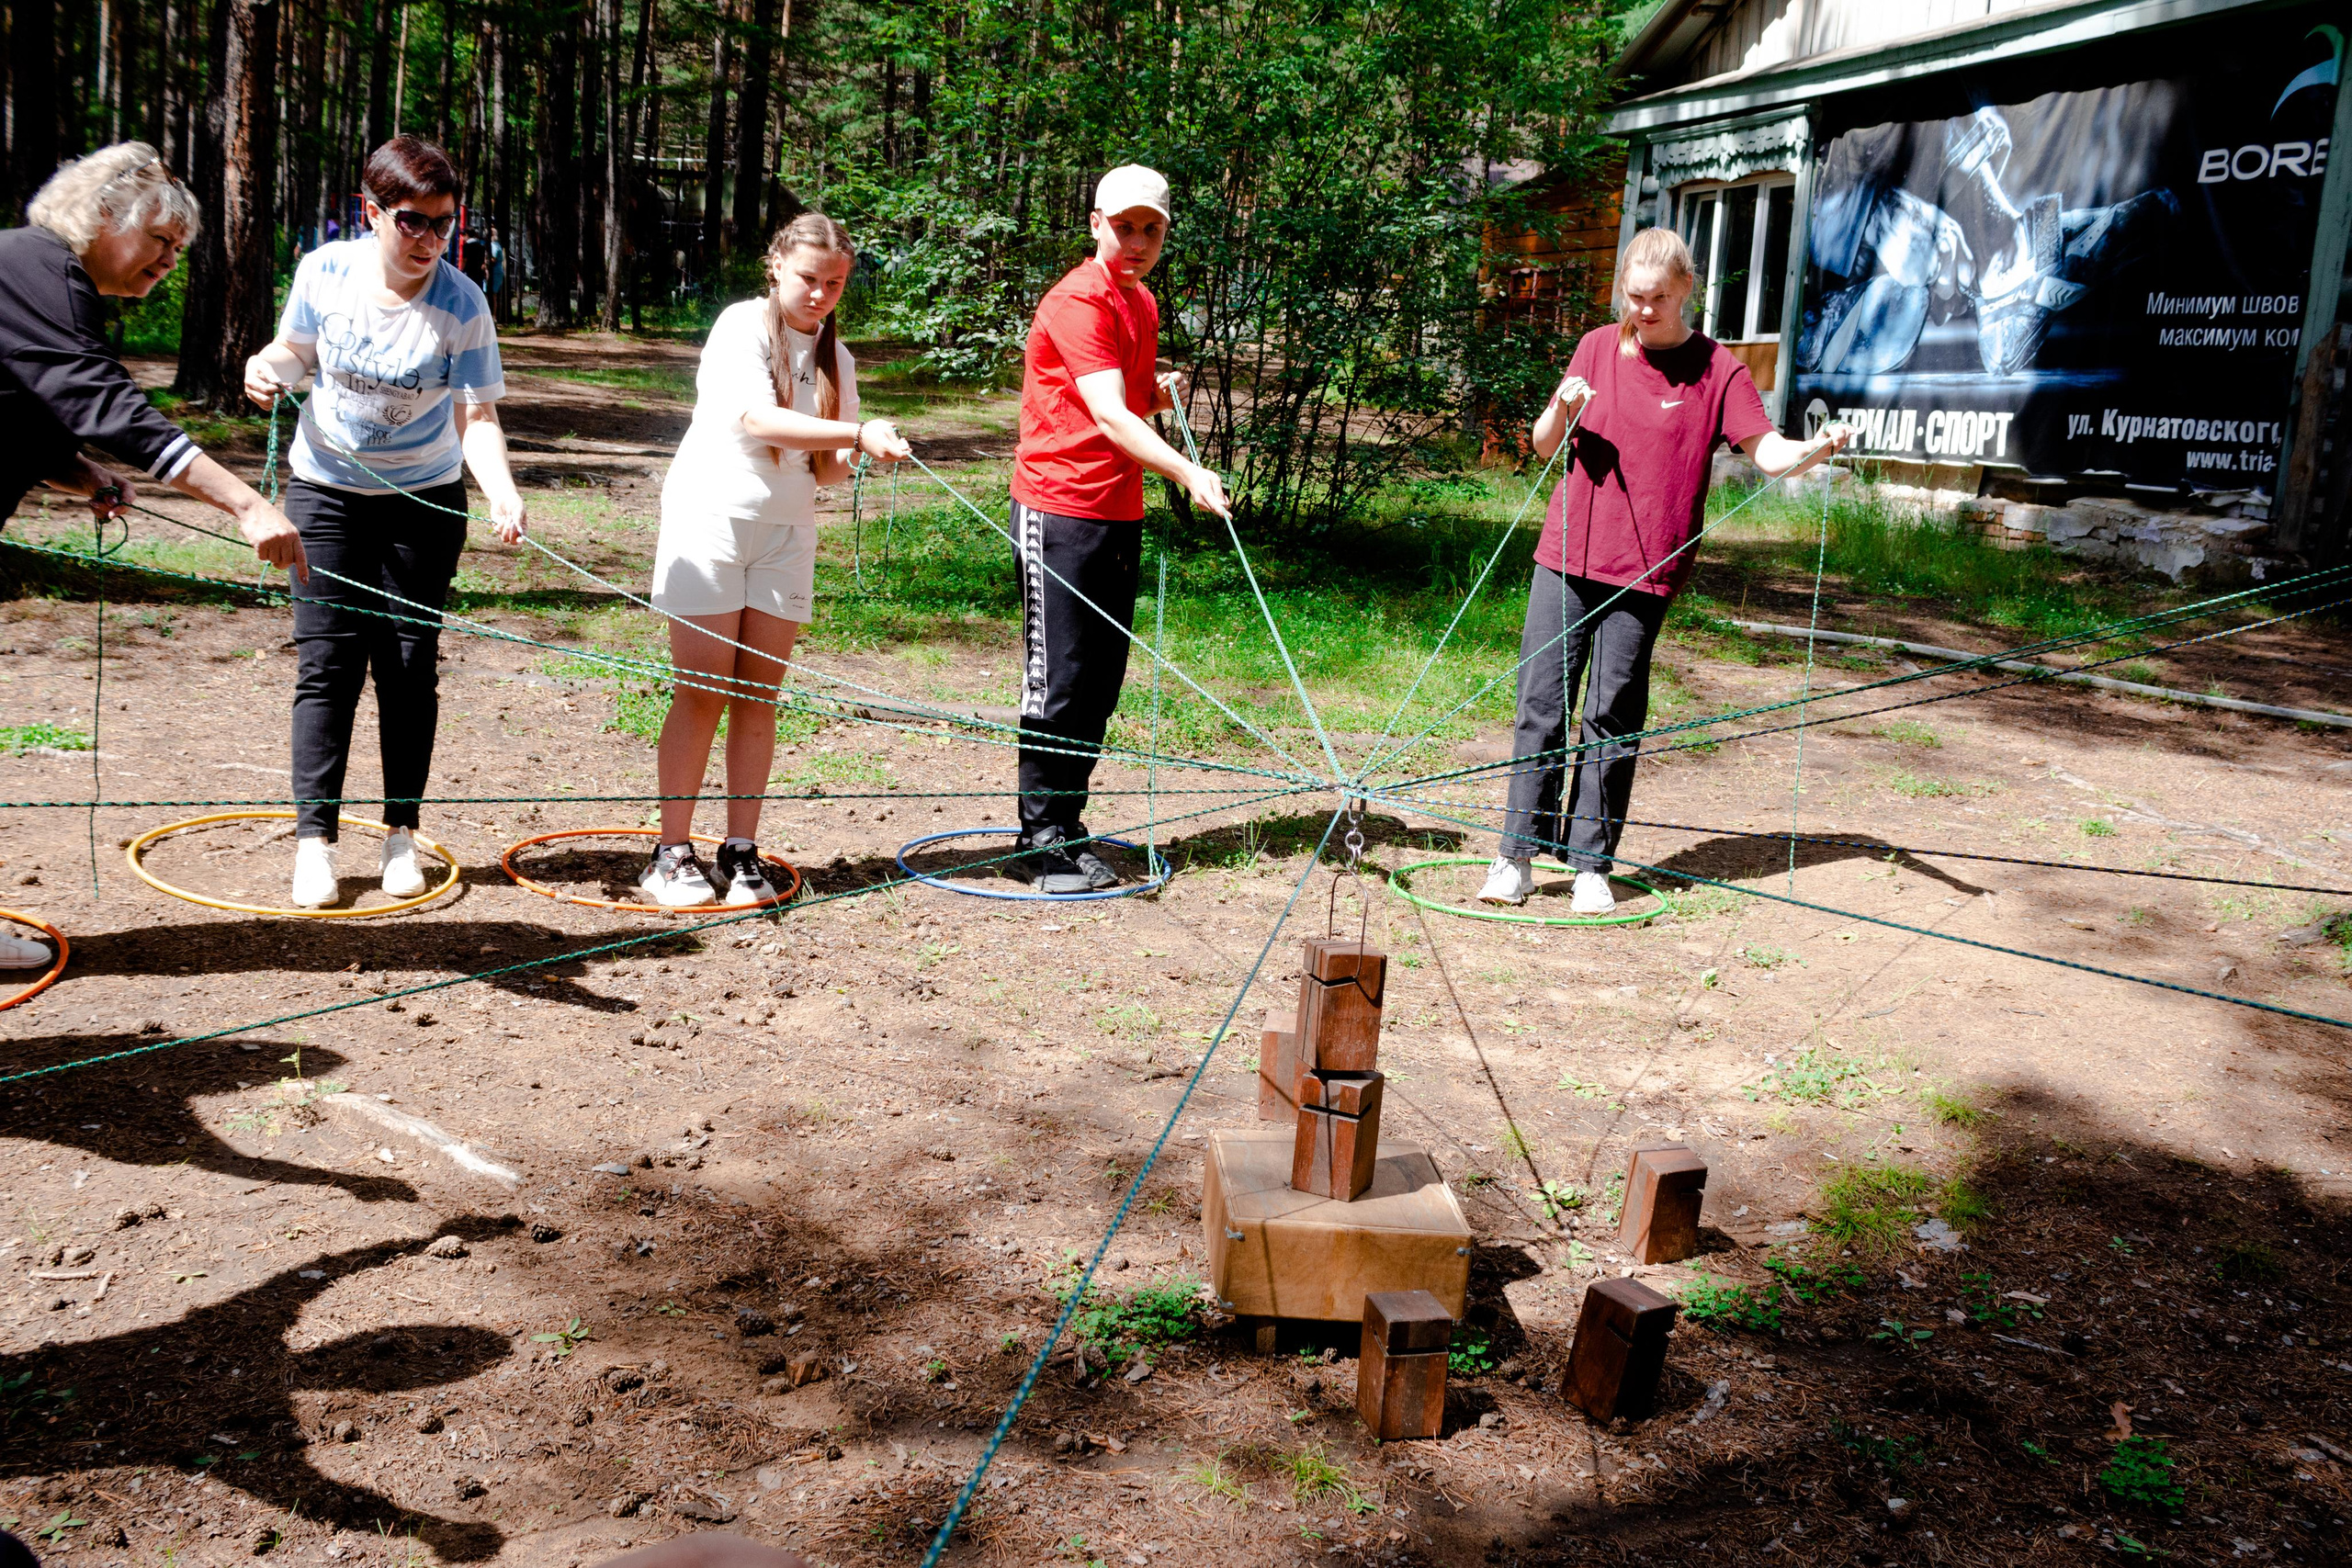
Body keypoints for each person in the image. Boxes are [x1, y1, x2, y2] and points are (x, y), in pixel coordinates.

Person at [1479, 226, 1852, 914]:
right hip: (1567, 556)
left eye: (1655, 297)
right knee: (1541, 704)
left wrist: (1815, 448)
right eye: (1633, 296)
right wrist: (1562, 407)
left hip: (1647, 569)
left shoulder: (1719, 370)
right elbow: (1541, 447)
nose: (1642, 310)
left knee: (1612, 712)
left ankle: (1591, 865)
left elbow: (1766, 451)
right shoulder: (1596, 345)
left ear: (1685, 292)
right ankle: (1515, 857)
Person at [0, 141, 306, 968]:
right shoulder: (34, 265)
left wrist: (72, 470)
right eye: (162, 242)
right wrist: (246, 501)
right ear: (101, 218)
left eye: (180, 251)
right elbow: (100, 399)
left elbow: (26, 400)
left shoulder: (44, 285)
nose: (170, 263)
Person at [243, 134, 527, 910]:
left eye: (445, 222)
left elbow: (478, 415)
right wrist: (268, 367)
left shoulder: (462, 304)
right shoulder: (323, 272)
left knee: (406, 666)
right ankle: (315, 844)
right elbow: (297, 353)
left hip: (424, 502)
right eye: (413, 222)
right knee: (327, 666)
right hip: (326, 493)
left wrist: (500, 488)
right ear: (371, 212)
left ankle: (401, 835)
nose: (431, 240)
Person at [638, 212, 911, 908]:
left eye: (835, 283)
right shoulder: (739, 327)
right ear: (777, 268)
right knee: (702, 690)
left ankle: (739, 849)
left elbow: (824, 471)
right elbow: (756, 421)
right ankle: (671, 852)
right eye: (809, 279)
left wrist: (860, 450)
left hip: (786, 537)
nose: (820, 294)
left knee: (760, 694)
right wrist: (855, 429)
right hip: (712, 523)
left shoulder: (836, 358)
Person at [1007, 164, 1229, 895]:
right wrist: (1188, 473)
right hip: (1059, 506)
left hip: (1115, 509)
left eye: (1151, 229)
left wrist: (1157, 391)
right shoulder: (1078, 299)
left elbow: (1128, 403)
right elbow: (1106, 415)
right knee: (1061, 680)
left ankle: (1067, 823)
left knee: (1100, 682)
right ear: (1096, 222)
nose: (1136, 241)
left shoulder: (1141, 303)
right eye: (1124, 226)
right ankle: (1037, 838)